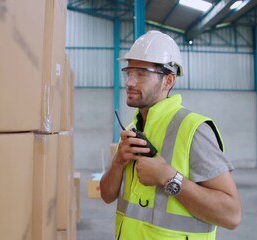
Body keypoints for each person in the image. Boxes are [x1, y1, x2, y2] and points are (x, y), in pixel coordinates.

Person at [100, 30, 241, 239]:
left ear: (168, 80)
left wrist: (169, 178)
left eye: (141, 73)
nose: (130, 82)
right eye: (128, 72)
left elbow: (231, 215)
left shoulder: (193, 129)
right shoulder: (133, 129)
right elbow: (106, 195)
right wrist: (118, 162)